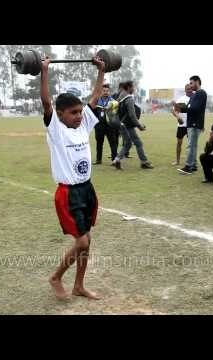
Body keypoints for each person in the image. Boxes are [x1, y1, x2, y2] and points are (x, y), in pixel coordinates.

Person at [40, 54, 105, 300]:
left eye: (80, 112)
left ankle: (79, 285)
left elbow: (95, 96)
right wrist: (45, 71)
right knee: (81, 243)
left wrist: (100, 70)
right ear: (60, 114)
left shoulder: (84, 125)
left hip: (86, 189)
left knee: (87, 240)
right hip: (67, 193)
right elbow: (46, 102)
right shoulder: (56, 130)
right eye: (73, 113)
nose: (79, 116)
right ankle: (56, 277)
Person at [112, 81, 153, 170]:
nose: (134, 89)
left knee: (128, 144)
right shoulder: (129, 99)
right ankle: (144, 162)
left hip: (121, 123)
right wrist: (139, 126)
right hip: (127, 125)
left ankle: (117, 160)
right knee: (138, 143)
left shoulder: (120, 97)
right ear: (129, 87)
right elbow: (132, 115)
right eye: (133, 87)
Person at [178, 75, 207, 174]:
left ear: (197, 82)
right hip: (191, 123)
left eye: (191, 83)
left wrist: (181, 108)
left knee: (190, 145)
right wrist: (181, 108)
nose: (190, 86)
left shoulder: (201, 93)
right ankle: (193, 165)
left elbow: (195, 109)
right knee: (193, 145)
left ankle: (188, 166)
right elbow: (190, 107)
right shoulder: (195, 94)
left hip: (195, 123)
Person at [93, 84, 118, 165]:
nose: (105, 92)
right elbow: (93, 113)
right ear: (101, 92)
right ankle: (98, 160)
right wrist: (95, 124)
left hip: (110, 126)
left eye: (107, 91)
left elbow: (116, 113)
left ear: (109, 92)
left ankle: (114, 160)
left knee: (113, 143)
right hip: (99, 126)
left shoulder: (113, 102)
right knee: (99, 144)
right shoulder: (97, 101)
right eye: (104, 91)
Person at [171, 84, 193, 165]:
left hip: (190, 125)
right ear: (185, 90)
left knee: (191, 144)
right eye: (187, 89)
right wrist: (178, 117)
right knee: (179, 143)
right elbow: (174, 111)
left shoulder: (194, 98)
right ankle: (177, 161)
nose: (189, 90)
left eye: (190, 89)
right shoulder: (181, 99)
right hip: (181, 125)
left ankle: (191, 162)